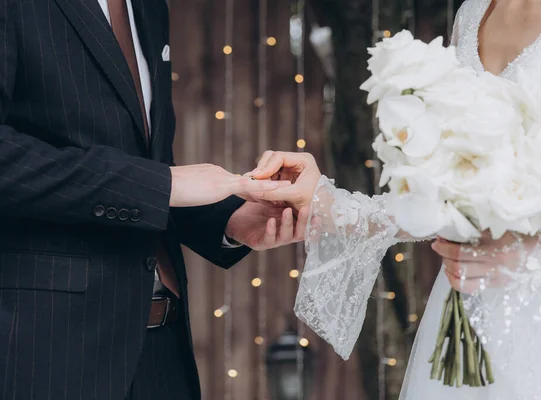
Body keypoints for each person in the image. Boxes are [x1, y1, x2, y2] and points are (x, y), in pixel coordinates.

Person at [254, 0, 541, 398]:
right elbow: (452, 193)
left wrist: (537, 249)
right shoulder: (472, 12)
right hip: (469, 312)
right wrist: (328, 205)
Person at [0, 1, 309, 399]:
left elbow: (146, 163)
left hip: (162, 349)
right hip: (47, 349)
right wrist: (162, 184)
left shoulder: (147, 7)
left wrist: (230, 221)